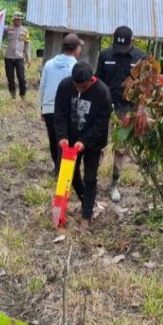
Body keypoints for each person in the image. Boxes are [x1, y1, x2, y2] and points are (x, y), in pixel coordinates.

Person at [54, 62, 112, 229]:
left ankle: (86, 216)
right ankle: (87, 199)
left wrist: (84, 141)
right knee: (68, 174)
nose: (80, 89)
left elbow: (102, 123)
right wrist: (62, 136)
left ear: (91, 80)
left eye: (84, 87)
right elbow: (60, 113)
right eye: (77, 86)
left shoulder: (102, 92)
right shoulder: (65, 86)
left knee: (90, 177)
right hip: (70, 139)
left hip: (93, 142)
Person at [95, 25, 146, 203]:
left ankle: (114, 184)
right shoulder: (105, 55)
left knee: (121, 149)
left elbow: (145, 87)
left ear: (133, 41)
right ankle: (91, 181)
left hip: (127, 110)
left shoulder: (141, 58)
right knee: (98, 144)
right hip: (105, 107)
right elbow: (97, 81)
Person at [39, 33, 83, 174]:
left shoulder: (49, 63)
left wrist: (42, 107)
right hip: (66, 111)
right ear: (76, 49)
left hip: (49, 108)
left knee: (53, 139)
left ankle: (57, 169)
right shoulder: (76, 67)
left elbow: (43, 86)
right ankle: (62, 171)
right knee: (65, 141)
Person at [4, 11, 31, 100]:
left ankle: (22, 95)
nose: (19, 21)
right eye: (17, 19)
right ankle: (12, 95)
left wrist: (28, 58)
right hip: (9, 57)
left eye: (20, 19)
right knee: (10, 78)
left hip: (19, 58)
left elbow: (27, 45)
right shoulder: (8, 28)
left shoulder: (25, 31)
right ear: (13, 20)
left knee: (21, 78)